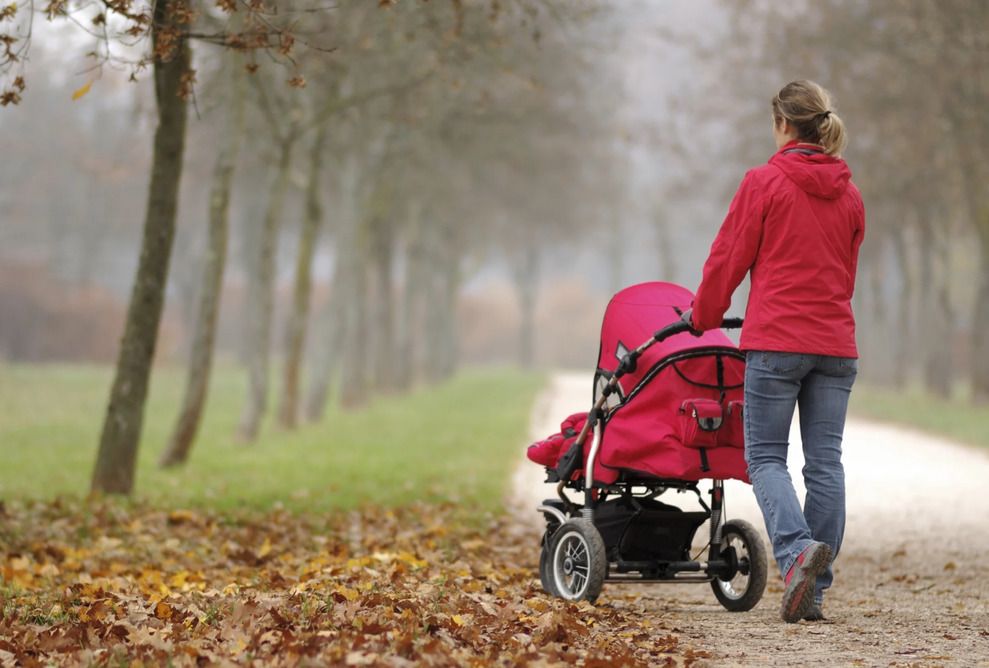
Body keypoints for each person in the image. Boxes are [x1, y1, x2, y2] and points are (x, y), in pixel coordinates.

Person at [682, 80, 865, 623]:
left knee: (764, 457)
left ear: (783, 124)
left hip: (777, 342)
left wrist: (703, 316)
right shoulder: (851, 195)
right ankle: (814, 590)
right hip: (835, 345)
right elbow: (846, 276)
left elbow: (728, 258)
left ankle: (796, 556)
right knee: (825, 462)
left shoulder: (763, 183)